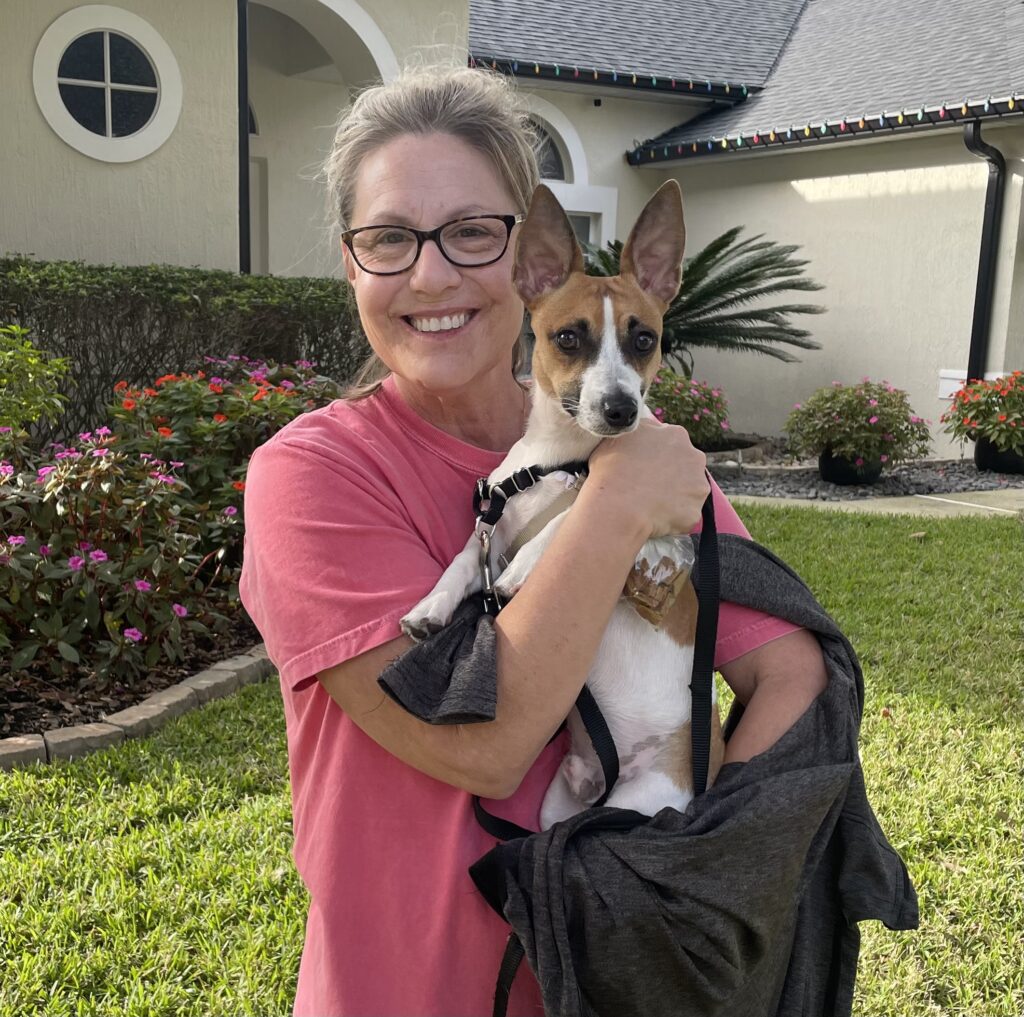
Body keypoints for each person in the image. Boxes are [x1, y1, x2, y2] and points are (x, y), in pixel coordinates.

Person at [239, 65, 828, 1017]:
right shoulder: (313, 476)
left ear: (530, 256)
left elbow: (792, 671)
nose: (432, 274)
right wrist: (616, 495)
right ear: (351, 263)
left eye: (471, 231)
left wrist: (698, 865)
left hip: (618, 987)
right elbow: (484, 746)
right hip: (401, 989)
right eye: (389, 238)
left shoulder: (648, 456)